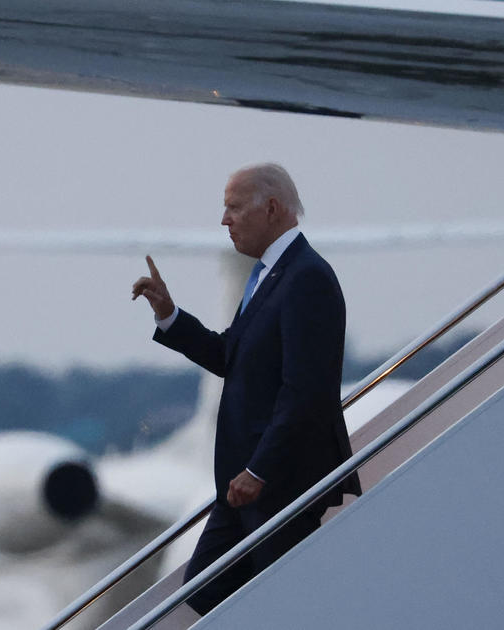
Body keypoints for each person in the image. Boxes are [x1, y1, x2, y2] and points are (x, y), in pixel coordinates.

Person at [131, 163, 360, 615]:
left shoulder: (305, 277)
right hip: (243, 485)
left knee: (276, 605)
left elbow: (305, 392)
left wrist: (260, 470)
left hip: (276, 483)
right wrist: (169, 315)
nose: (224, 220)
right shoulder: (269, 275)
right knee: (205, 593)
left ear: (271, 209)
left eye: (233, 207)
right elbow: (230, 356)